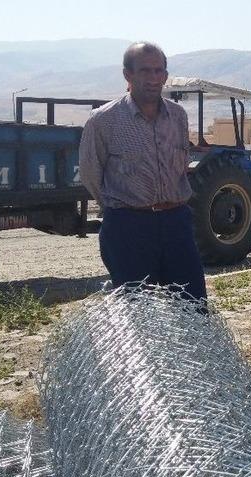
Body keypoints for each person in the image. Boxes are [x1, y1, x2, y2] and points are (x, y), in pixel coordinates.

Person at [79, 42, 206, 301]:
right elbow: (91, 174)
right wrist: (121, 211)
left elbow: (180, 166)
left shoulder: (178, 116)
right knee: (137, 313)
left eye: (159, 71)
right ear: (128, 75)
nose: (153, 78)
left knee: (194, 308)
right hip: (129, 228)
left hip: (176, 224)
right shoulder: (103, 120)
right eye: (145, 71)